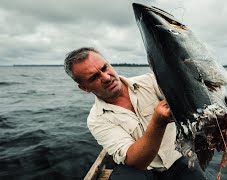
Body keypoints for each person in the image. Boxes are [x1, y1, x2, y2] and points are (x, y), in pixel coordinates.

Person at [64, 47, 206, 180]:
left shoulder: (150, 81)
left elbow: (186, 95)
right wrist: (158, 122)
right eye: (94, 77)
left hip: (179, 157)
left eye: (104, 68)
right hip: (144, 170)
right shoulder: (96, 119)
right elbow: (136, 162)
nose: (106, 77)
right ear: (84, 88)